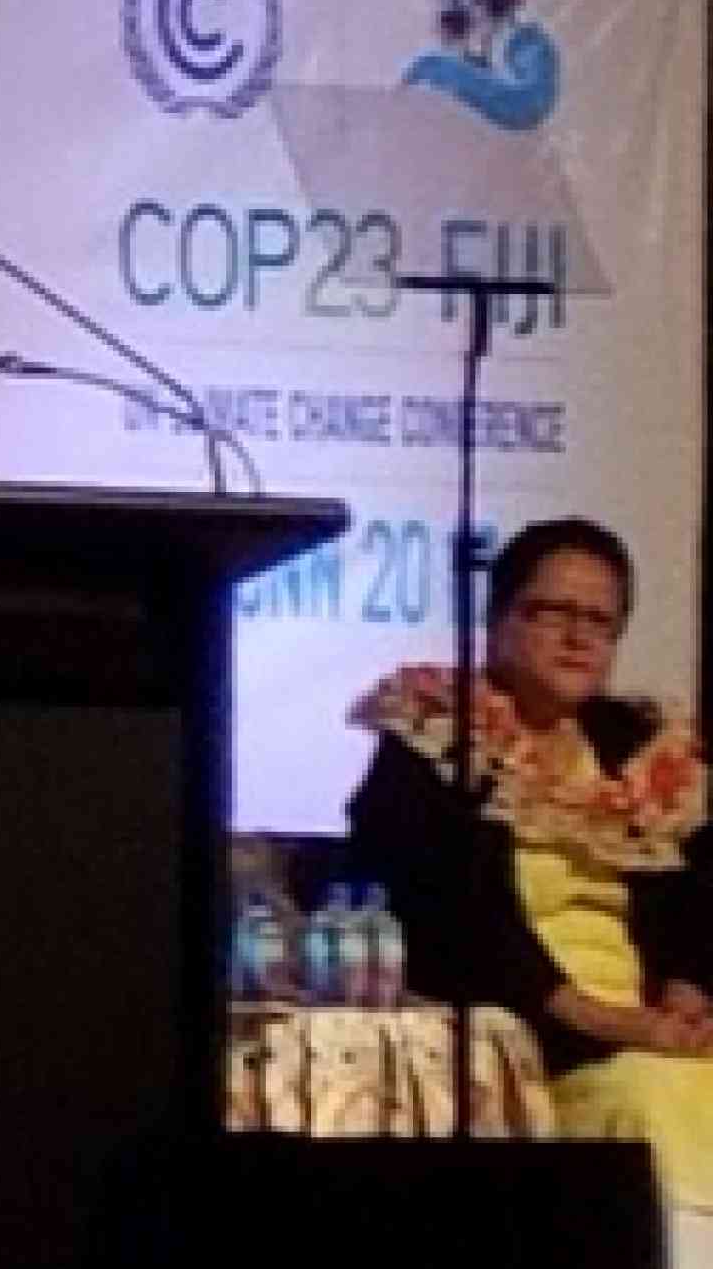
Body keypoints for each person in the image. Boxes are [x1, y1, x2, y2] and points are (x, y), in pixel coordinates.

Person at [347, 517, 713, 1245]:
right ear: (497, 619)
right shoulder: (441, 733)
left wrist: (688, 992)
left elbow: (698, 901)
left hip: (649, 1030)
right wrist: (611, 1023)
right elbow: (451, 914)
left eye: (600, 620)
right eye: (553, 612)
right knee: (649, 1093)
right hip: (527, 1031)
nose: (579, 637)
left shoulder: (639, 749)